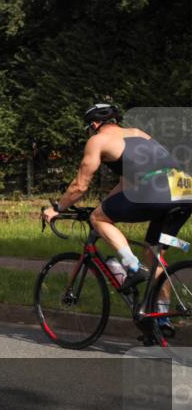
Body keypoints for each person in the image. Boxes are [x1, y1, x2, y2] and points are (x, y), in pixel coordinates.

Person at [42, 104, 191, 333]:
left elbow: (80, 185)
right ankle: (161, 319)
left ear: (94, 125)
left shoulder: (98, 140)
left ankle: (132, 268)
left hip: (158, 189)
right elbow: (127, 183)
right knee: (154, 254)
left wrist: (58, 209)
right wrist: (103, 206)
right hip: (184, 189)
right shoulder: (139, 134)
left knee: (99, 219)